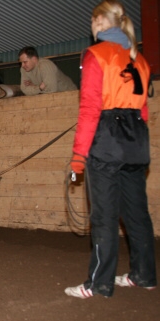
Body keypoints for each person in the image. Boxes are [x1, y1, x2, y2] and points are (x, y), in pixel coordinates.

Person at [65, 0, 156, 298]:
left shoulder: (96, 55)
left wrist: (78, 157)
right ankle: (144, 275)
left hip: (107, 140)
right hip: (136, 142)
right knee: (136, 213)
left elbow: (90, 108)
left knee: (103, 215)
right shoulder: (139, 60)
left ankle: (99, 283)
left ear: (99, 23)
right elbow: (143, 111)